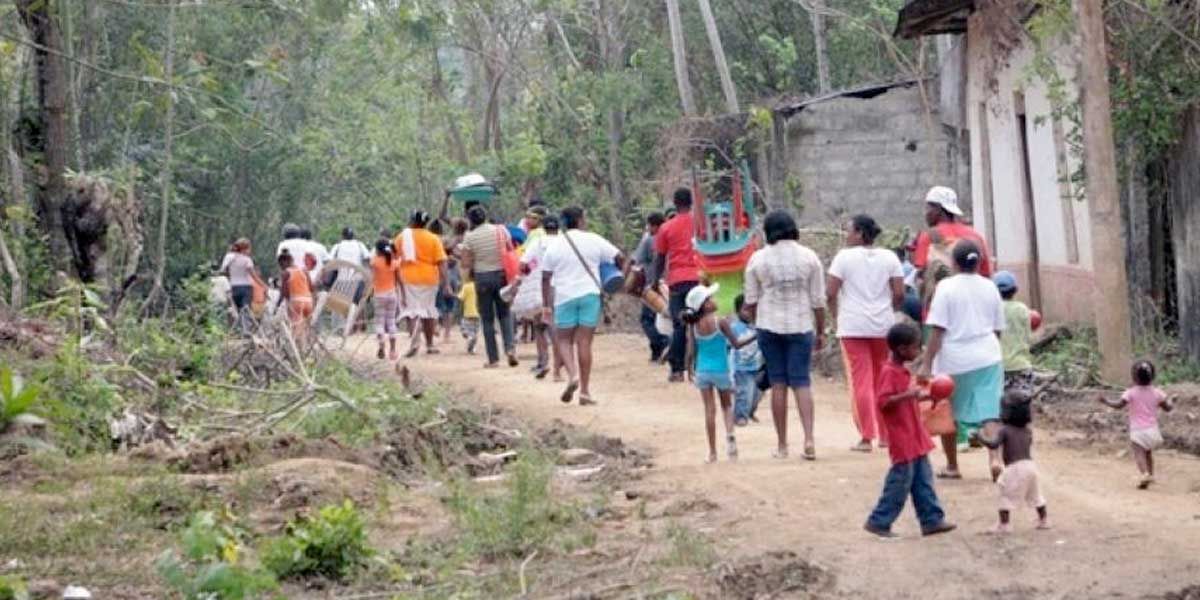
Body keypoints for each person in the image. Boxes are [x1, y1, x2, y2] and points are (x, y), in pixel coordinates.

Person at [919, 239, 1006, 481]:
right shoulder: (990, 287)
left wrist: (926, 363)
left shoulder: (946, 288)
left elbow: (937, 330)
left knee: (948, 413)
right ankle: (995, 459)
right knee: (990, 411)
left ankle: (952, 465)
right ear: (978, 263)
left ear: (954, 263)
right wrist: (991, 350)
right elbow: (997, 329)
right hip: (987, 355)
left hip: (953, 359)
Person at [743, 209, 826, 461]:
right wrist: (820, 331)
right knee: (801, 382)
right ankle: (809, 439)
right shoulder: (810, 257)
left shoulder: (758, 259)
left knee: (778, 382)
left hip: (769, 326)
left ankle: (782, 445)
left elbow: (751, 301)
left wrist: (757, 324)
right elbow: (818, 301)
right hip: (801, 325)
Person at [863, 322, 957, 539]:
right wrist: (910, 395)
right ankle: (879, 520)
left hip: (915, 436)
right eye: (916, 347)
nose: (919, 351)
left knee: (923, 480)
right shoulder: (889, 372)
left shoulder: (902, 372)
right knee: (900, 482)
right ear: (902, 349)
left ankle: (931, 520)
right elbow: (884, 402)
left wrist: (929, 395)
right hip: (902, 437)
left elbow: (907, 398)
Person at [827, 214, 904, 453]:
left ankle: (866, 436)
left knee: (861, 379)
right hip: (882, 325)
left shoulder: (843, 258)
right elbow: (899, 293)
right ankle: (886, 435)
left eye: (848, 231)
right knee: (883, 377)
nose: (846, 235)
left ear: (859, 233)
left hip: (853, 324)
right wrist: (889, 311)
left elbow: (830, 292)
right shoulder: (890, 257)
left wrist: (836, 315)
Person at [540, 206, 625, 405]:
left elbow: (545, 277)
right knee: (584, 342)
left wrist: (546, 306)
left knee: (563, 340)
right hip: (590, 295)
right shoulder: (593, 239)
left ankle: (572, 375)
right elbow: (619, 257)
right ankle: (585, 392)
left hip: (564, 297)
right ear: (580, 220)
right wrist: (612, 274)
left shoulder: (555, 245)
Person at [683, 284, 756, 463]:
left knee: (709, 409)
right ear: (704, 305)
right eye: (709, 298)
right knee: (726, 406)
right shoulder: (720, 322)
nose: (713, 300)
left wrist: (688, 368)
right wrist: (756, 334)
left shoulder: (693, 326)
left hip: (703, 371)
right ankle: (731, 441)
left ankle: (712, 452)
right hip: (721, 370)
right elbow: (737, 343)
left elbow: (691, 351)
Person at [912, 186, 992, 316]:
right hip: (971, 310)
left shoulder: (929, 236)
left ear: (939, 209)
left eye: (928, 208)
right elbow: (986, 274)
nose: (925, 213)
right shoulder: (975, 236)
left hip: (937, 312)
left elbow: (921, 276)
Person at [1097, 360, 1176, 489]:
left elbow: (1118, 405)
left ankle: (1144, 474)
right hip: (1153, 430)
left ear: (1133, 377)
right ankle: (1150, 475)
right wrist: (1172, 400)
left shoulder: (1131, 392)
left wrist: (1105, 401)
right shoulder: (1158, 393)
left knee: (1139, 454)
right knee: (1148, 453)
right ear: (1153, 376)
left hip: (1138, 430)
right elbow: (1168, 408)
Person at [978, 391, 1050, 533]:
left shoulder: (1005, 430)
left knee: (1005, 496)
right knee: (1036, 495)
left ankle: (1004, 525)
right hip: (1030, 466)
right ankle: (1044, 520)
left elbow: (993, 445)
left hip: (1014, 467)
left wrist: (980, 436)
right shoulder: (1027, 431)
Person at [461, 205, 519, 368]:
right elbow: (510, 250)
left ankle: (493, 359)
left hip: (482, 278)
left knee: (487, 319)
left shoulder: (469, 237)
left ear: (470, 220)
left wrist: (474, 260)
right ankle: (510, 349)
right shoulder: (500, 230)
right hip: (501, 276)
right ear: (485, 216)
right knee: (505, 314)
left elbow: (465, 263)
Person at [654, 188, 702, 382]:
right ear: (691, 202)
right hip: (700, 278)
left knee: (679, 325)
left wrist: (654, 280)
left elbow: (660, 257)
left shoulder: (666, 228)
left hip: (677, 280)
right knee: (700, 324)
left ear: (675, 203)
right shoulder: (701, 224)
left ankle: (677, 370)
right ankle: (699, 367)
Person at [395, 210, 453, 357]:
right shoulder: (433, 239)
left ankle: (415, 342)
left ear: (412, 221)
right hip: (430, 279)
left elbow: (393, 258)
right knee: (428, 311)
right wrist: (446, 284)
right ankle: (430, 345)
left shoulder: (402, 237)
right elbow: (442, 262)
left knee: (412, 312)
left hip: (408, 279)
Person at [512, 215, 563, 379]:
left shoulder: (538, 242)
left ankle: (543, 362)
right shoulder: (565, 242)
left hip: (542, 288)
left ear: (543, 227)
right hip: (564, 288)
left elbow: (524, 265)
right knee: (557, 326)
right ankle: (559, 364)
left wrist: (527, 272)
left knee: (541, 326)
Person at [633, 212, 670, 362]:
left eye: (649, 225)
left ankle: (662, 343)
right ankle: (660, 350)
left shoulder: (649, 240)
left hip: (653, 285)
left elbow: (637, 260)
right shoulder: (670, 235)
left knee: (647, 319)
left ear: (654, 225)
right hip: (670, 283)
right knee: (666, 317)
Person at [993, 271, 1034, 394]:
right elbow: (1027, 337)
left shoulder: (993, 309)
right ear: (1015, 289)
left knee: (999, 407)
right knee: (1022, 405)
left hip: (997, 367)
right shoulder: (1023, 309)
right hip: (1021, 365)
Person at [370, 239, 405, 361]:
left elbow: (372, 278)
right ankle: (393, 350)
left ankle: (381, 345)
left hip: (379, 295)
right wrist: (404, 295)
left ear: (378, 250)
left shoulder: (375, 262)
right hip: (392, 295)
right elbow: (399, 280)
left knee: (380, 322)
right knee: (391, 322)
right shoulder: (394, 263)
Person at [730, 294, 762, 426]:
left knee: (757, 393)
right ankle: (740, 416)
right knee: (744, 393)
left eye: (751, 309)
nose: (749, 313)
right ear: (737, 312)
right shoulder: (734, 327)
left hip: (757, 365)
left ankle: (750, 411)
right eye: (745, 310)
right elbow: (731, 345)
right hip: (742, 367)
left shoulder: (757, 326)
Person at [219, 238, 265, 331]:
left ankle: (234, 330)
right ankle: (246, 331)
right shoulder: (247, 260)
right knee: (245, 310)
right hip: (246, 288)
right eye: (249, 248)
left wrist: (230, 277)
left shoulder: (229, 257)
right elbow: (254, 276)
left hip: (233, 287)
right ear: (245, 249)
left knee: (234, 310)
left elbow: (223, 271)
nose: (250, 251)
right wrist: (263, 285)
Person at [275, 250, 314, 343]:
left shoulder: (286, 273)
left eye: (281, 265)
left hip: (296, 302)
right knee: (305, 327)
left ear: (284, 262)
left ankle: (297, 349)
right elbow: (311, 288)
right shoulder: (304, 270)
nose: (281, 267)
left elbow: (283, 293)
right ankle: (306, 346)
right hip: (308, 301)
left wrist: (277, 306)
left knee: (295, 326)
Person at [457, 277, 480, 354]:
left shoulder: (466, 286)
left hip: (468, 313)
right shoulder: (479, 286)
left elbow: (460, 298)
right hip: (478, 314)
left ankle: (470, 338)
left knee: (465, 330)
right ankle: (472, 348)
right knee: (475, 331)